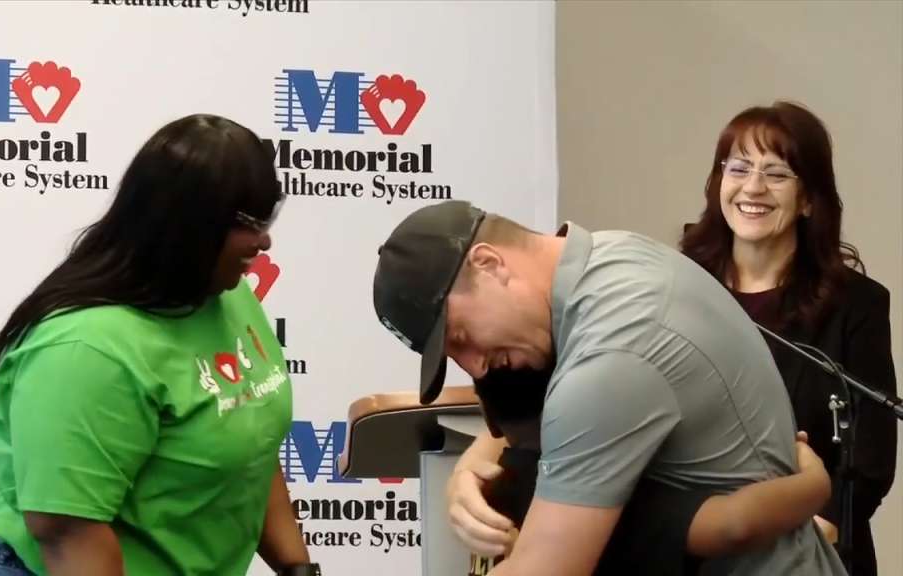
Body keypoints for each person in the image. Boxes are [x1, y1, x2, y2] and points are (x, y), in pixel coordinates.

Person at [371, 200, 847, 575]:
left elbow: (544, 569)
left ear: (490, 263)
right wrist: (468, 466)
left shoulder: (610, 356)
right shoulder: (613, 260)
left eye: (460, 337)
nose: (474, 365)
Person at [0, 114, 320, 576]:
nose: (265, 240)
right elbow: (69, 534)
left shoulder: (225, 294)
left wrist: (299, 570)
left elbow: (253, 452)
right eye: (249, 223)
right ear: (186, 225)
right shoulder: (86, 350)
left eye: (268, 218)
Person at [680, 101, 898, 575]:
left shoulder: (856, 304)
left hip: (809, 550)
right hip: (694, 546)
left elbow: (872, 457)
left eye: (777, 174)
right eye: (739, 168)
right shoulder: (678, 286)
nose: (753, 187)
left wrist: (820, 530)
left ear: (808, 200)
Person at [472, 367, 833, 576]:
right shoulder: (600, 491)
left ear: (489, 420)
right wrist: (814, 480)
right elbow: (734, 523)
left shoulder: (488, 491)